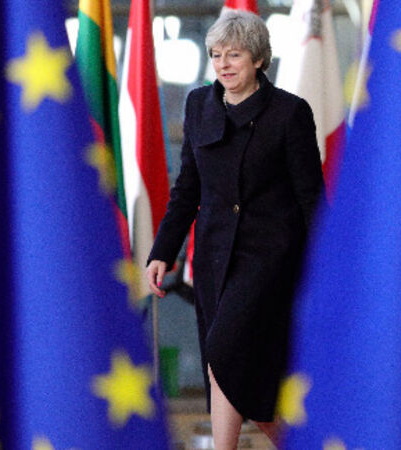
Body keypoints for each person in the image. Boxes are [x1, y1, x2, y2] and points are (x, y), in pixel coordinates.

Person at [145, 9, 325, 449]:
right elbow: (187, 188)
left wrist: (325, 267)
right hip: (213, 258)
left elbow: (311, 198)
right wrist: (162, 251)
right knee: (236, 369)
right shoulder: (198, 105)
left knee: (224, 352)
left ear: (258, 59)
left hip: (270, 259)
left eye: (235, 55)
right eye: (216, 55)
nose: (223, 64)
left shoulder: (289, 112)